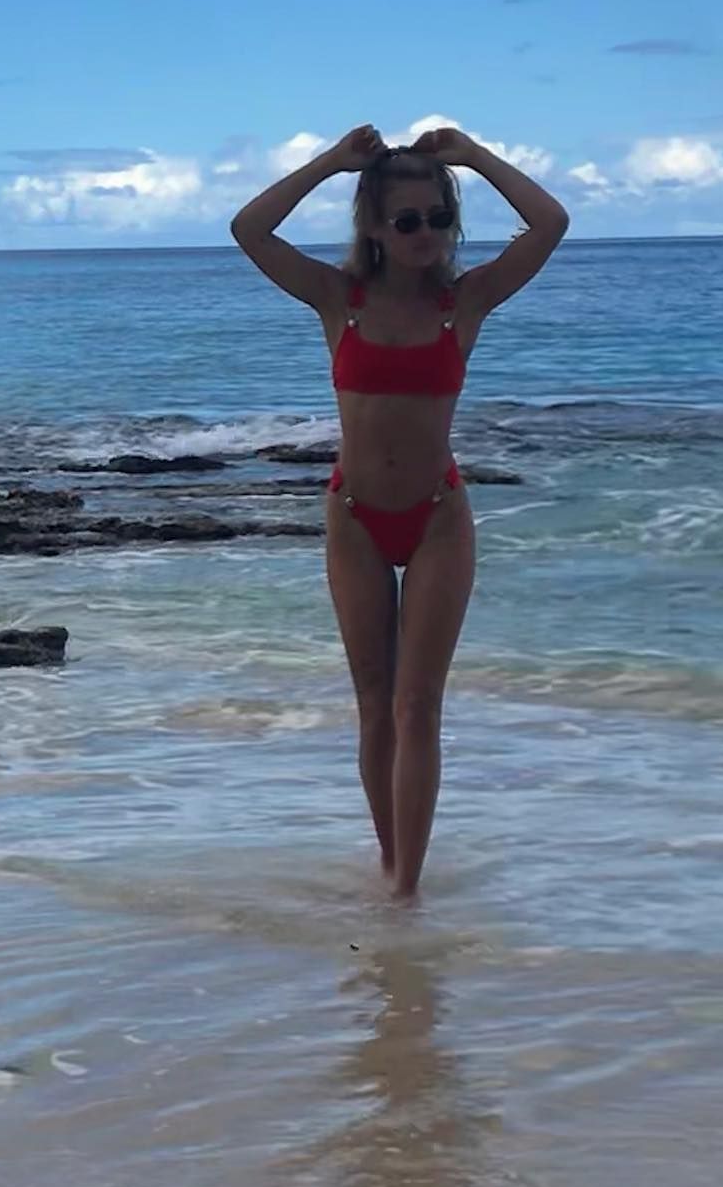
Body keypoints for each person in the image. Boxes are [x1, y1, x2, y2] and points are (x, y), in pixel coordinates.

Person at [230, 125, 569, 897]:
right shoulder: (337, 299)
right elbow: (250, 229)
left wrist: (475, 157)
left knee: (419, 705)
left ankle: (407, 891)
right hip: (353, 518)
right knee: (375, 707)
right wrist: (331, 163)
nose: (426, 234)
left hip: (438, 518)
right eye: (407, 220)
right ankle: (390, 867)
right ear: (376, 228)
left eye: (440, 218)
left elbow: (550, 223)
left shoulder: (465, 302)